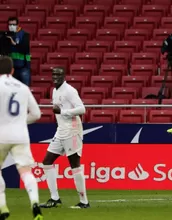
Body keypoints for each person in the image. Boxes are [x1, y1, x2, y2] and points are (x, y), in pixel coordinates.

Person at [39, 67, 90, 209]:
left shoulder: (70, 90)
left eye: (58, 74)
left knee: (75, 164)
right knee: (47, 162)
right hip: (60, 130)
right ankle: (55, 199)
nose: (55, 77)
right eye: (54, 74)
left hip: (72, 130)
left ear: (64, 76)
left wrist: (63, 111)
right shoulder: (54, 91)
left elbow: (82, 109)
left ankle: (84, 201)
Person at [0, 56, 42, 220]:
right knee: (26, 171)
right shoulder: (23, 87)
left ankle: (3, 208)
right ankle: (35, 203)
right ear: (12, 70)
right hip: (20, 134)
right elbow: (37, 114)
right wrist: (19, 122)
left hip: (1, 134)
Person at [7, 17, 31, 86]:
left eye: (14, 24)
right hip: (11, 68)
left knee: (25, 89)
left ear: (18, 25)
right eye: (10, 24)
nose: (11, 26)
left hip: (23, 67)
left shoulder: (25, 35)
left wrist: (14, 44)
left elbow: (25, 49)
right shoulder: (6, 35)